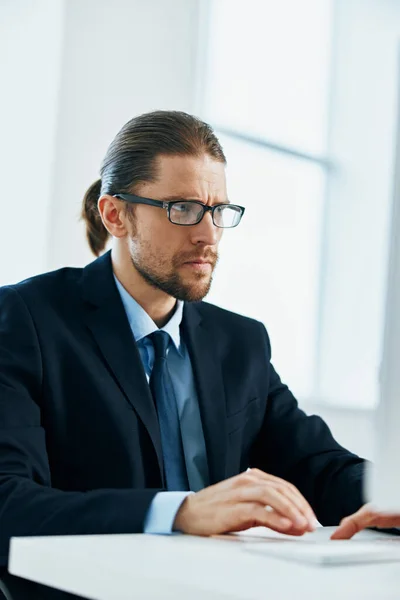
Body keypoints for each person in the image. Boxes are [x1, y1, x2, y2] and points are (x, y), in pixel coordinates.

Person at [0, 111, 399, 599]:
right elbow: (8, 501)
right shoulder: (26, 319)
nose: (208, 235)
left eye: (219, 211)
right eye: (183, 208)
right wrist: (181, 511)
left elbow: (322, 466)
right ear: (115, 215)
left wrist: (389, 497)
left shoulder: (240, 342)